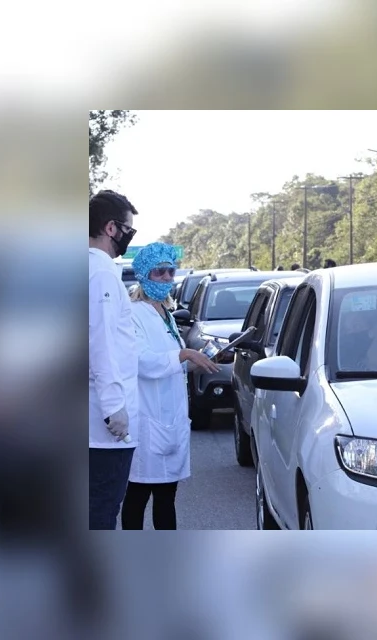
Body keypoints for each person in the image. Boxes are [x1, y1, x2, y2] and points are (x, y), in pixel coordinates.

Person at [121, 243, 219, 530]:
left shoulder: (166, 314)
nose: (166, 277)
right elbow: (141, 361)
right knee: (138, 496)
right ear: (144, 275)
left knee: (167, 497)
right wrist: (185, 353)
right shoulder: (132, 313)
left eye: (170, 271)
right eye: (159, 271)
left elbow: (172, 363)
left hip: (170, 420)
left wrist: (202, 359)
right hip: (148, 422)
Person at [89, 189, 141, 529]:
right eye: (128, 229)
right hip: (104, 428)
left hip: (94, 421)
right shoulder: (102, 272)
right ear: (111, 228)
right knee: (101, 513)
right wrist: (113, 410)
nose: (128, 236)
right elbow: (101, 342)